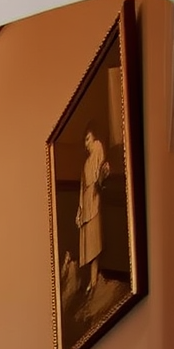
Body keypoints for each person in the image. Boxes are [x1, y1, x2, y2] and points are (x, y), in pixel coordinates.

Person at [76, 124, 109, 299]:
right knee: (89, 243)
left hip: (94, 197)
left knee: (95, 242)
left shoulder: (97, 148)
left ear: (93, 138)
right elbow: (82, 188)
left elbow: (101, 168)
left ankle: (95, 280)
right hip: (87, 200)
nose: (86, 143)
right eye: (85, 140)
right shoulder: (85, 163)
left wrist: (101, 178)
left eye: (88, 139)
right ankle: (92, 279)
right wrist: (80, 210)